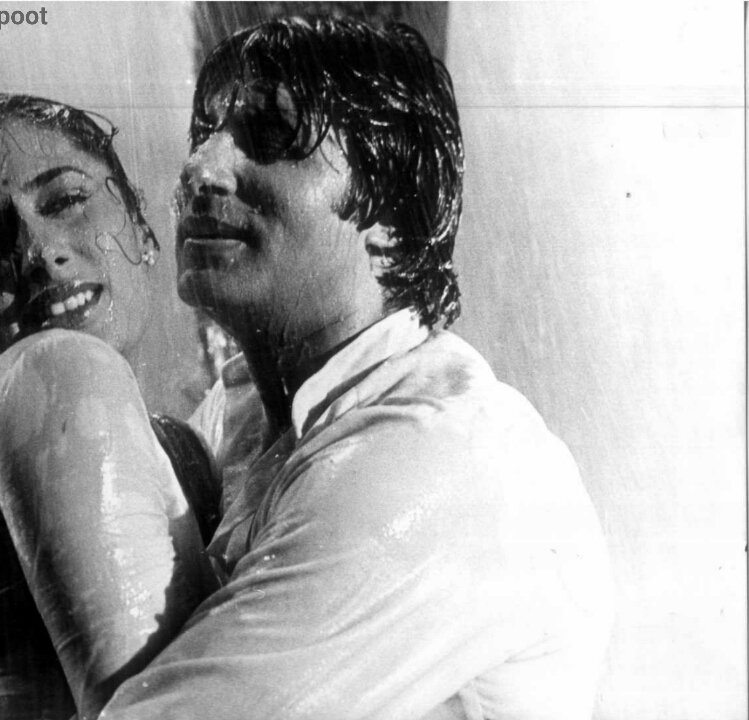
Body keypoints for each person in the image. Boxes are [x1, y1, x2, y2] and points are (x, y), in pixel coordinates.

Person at [99, 16, 614, 720]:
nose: (199, 168)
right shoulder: (242, 410)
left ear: (391, 220)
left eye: (268, 133)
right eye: (205, 132)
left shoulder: (438, 454)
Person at [0, 94, 218, 720]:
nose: (40, 249)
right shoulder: (54, 371)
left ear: (142, 227)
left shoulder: (177, 446)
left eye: (66, 200)